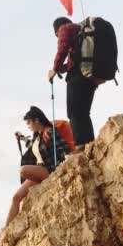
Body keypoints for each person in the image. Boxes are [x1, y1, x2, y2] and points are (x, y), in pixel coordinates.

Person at [7, 106, 69, 226]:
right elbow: (33, 146)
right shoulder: (37, 136)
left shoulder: (49, 132)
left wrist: (62, 166)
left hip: (49, 170)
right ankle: (5, 232)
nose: (28, 126)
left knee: (23, 170)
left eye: (29, 123)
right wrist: (22, 138)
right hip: (40, 172)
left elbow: (63, 149)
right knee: (16, 197)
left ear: (37, 120)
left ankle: (45, 184)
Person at [47, 17, 97, 149]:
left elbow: (62, 49)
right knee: (84, 112)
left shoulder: (65, 28)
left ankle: (81, 145)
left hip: (78, 76)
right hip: (91, 75)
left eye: (57, 35)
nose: (58, 37)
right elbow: (72, 61)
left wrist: (54, 69)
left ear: (57, 30)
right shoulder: (80, 31)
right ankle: (90, 144)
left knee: (74, 112)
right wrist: (61, 69)